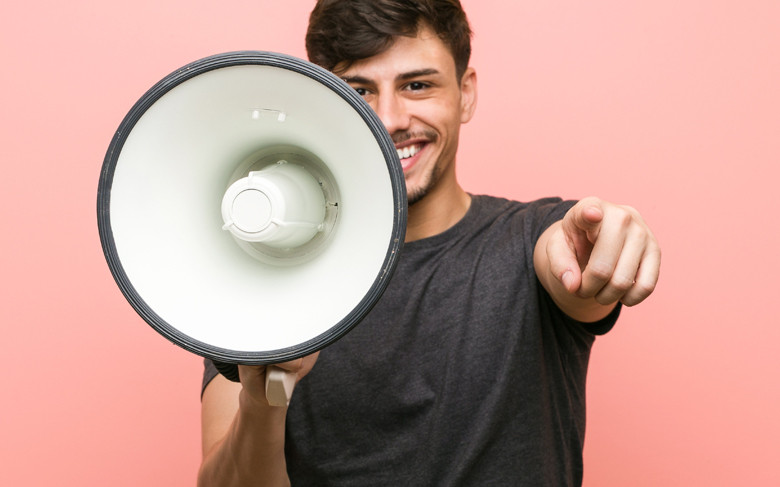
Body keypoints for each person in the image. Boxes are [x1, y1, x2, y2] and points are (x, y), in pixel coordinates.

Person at [198, 1, 660, 486]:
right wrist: (262, 395)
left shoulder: (535, 239)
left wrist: (599, 243)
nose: (390, 119)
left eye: (417, 85)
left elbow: (564, 263)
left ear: (465, 93)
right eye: (358, 90)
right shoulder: (254, 274)